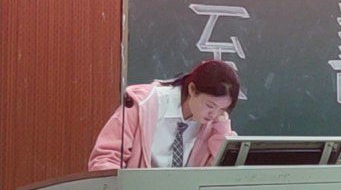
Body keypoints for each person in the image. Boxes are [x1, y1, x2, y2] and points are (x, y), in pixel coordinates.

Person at [88, 60, 240, 170]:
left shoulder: (214, 123)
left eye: (222, 109)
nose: (213, 114)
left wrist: (222, 128)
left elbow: (228, 173)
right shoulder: (143, 105)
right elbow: (105, 158)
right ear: (192, 90)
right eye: (210, 106)